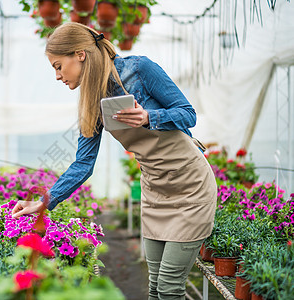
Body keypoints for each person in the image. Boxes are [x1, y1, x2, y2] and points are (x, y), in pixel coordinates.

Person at [12, 22, 217, 300]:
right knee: (155, 287)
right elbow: (83, 164)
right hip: (156, 190)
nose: (58, 76)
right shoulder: (92, 99)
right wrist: (45, 202)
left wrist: (149, 118)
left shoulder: (139, 69)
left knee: (170, 288)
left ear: (79, 54)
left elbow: (187, 114)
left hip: (190, 186)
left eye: (58, 66)